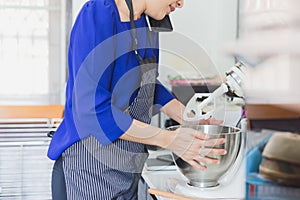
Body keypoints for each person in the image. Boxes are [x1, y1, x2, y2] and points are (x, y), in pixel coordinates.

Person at [48, 0, 227, 199]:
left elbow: (147, 84)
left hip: (128, 167)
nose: (180, 3)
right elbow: (91, 110)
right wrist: (170, 139)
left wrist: (189, 118)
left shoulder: (148, 22)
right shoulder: (98, 14)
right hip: (88, 169)